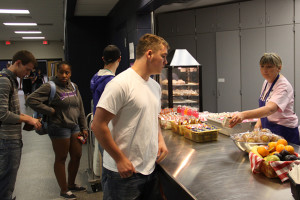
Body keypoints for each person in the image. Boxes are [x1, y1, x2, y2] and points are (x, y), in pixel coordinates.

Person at [91, 33, 169, 200]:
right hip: (123, 174)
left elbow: (153, 117)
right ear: (149, 54)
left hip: (149, 169)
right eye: (163, 56)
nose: (165, 62)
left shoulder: (155, 86)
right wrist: (120, 159)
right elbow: (97, 125)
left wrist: (160, 140)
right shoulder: (120, 84)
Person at [26, 61, 88, 199]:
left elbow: (80, 108)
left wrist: (84, 127)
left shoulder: (73, 86)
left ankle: (72, 184)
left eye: (67, 72)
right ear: (57, 72)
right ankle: (64, 189)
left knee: (77, 155)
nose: (64, 75)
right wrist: (49, 110)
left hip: (75, 126)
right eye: (61, 72)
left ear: (70, 73)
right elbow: (31, 100)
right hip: (59, 127)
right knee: (61, 158)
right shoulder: (50, 86)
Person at [229, 53, 300, 145]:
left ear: (279, 68)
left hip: (284, 130)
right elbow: (265, 106)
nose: (265, 70)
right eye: (262, 66)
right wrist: (259, 122)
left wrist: (243, 115)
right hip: (270, 128)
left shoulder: (283, 86)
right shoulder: (267, 82)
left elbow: (270, 109)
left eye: (269, 67)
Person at [0, 50, 42, 200]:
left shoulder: (10, 80)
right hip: (7, 141)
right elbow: (2, 114)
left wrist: (26, 117)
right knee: (6, 183)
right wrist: (27, 120)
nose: (28, 73)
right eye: (27, 69)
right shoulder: (4, 80)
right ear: (18, 63)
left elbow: (10, 110)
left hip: (11, 139)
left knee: (8, 182)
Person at [90, 44, 121, 156]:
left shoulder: (95, 77)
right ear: (119, 59)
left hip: (97, 124)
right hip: (109, 127)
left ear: (103, 59)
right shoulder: (113, 82)